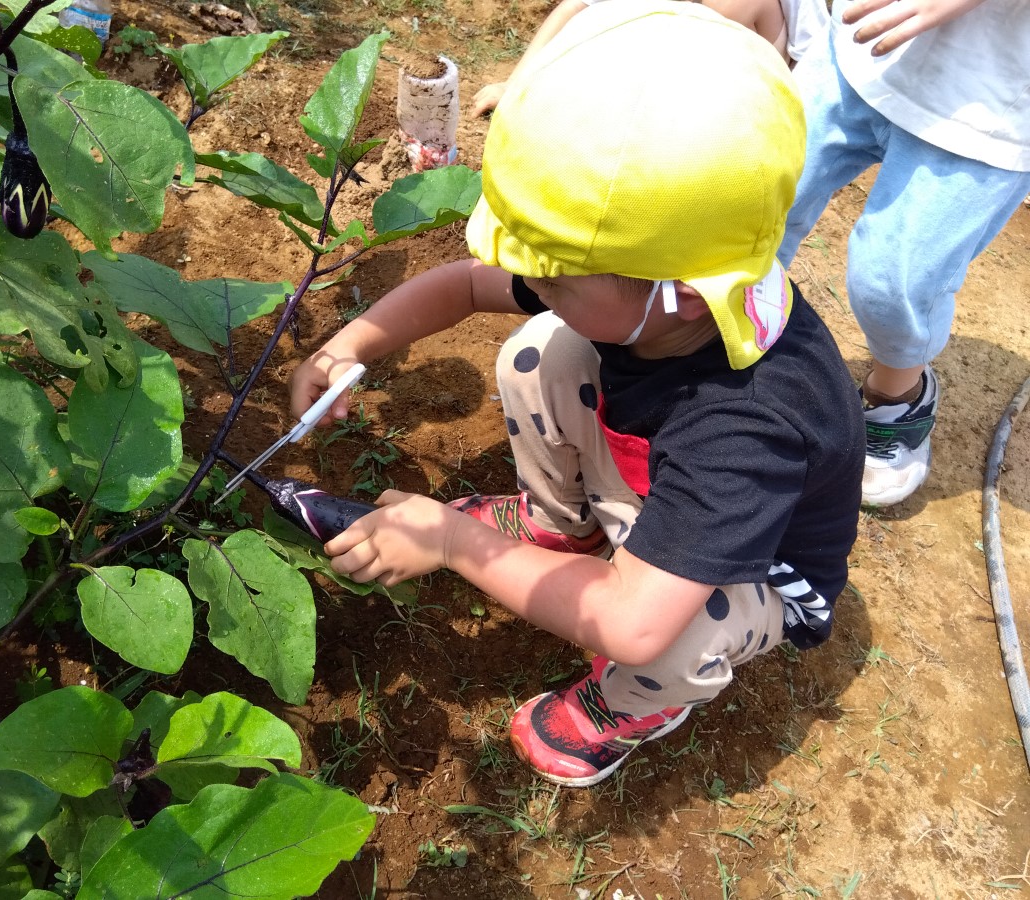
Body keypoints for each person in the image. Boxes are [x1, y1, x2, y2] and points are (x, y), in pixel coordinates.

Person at [289, 1, 865, 788]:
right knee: (543, 350)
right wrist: (347, 345)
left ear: (683, 295)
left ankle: (627, 707)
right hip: (658, 480)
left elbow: (631, 622)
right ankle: (561, 526)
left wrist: (455, 544)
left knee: (675, 634)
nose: (533, 278)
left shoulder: (748, 425)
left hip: (754, 576)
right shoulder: (663, 281)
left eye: (555, 271)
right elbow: (461, 284)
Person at [777, 0, 1030, 507]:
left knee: (892, 285)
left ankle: (899, 395)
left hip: (986, 107)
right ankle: (722, 339)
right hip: (858, 52)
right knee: (757, 201)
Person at [470, 0, 828, 118]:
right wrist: (513, 84)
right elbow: (578, 7)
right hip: (656, 93)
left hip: (749, 102)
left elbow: (812, 58)